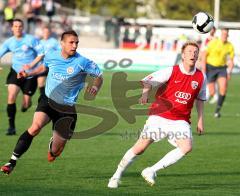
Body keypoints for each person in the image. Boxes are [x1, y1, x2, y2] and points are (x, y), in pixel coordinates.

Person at [0, 30, 103, 175]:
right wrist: (28, 73)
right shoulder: (51, 55)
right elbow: (44, 67)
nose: (74, 46)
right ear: (62, 43)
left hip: (67, 108)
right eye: (71, 42)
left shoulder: (83, 62)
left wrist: (95, 86)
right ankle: (11, 162)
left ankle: (53, 149)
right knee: (35, 127)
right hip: (48, 100)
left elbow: (99, 75)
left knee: (56, 150)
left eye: (76, 43)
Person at [108, 41, 206, 188]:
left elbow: (200, 99)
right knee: (140, 148)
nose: (193, 54)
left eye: (195, 52)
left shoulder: (201, 77)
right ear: (183, 55)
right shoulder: (171, 71)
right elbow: (147, 81)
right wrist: (145, 94)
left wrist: (200, 120)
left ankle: (151, 170)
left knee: (186, 147)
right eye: (189, 51)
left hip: (180, 120)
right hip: (159, 116)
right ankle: (116, 175)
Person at [0, 18, 44, 135]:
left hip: (30, 75)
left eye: (20, 26)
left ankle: (26, 105)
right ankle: (11, 127)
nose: (18, 28)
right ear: (12, 28)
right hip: (15, 72)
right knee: (11, 96)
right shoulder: (9, 42)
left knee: (26, 104)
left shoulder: (31, 39)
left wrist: (31, 65)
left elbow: (41, 54)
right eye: (15, 26)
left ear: (23, 27)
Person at [201, 28, 234, 118]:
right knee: (212, 91)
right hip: (210, 68)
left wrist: (229, 72)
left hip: (222, 68)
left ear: (228, 35)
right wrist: (203, 68)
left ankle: (217, 110)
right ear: (221, 35)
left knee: (223, 88)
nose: (224, 36)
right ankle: (213, 96)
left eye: (226, 34)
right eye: (223, 34)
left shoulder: (229, 46)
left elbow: (231, 60)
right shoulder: (214, 42)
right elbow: (204, 54)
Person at [26, 25, 60, 95]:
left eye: (47, 32)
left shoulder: (54, 42)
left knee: (52, 84)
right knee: (40, 84)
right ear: (42, 33)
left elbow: (60, 52)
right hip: (42, 65)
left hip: (52, 66)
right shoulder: (39, 42)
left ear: (50, 33)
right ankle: (44, 99)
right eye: (44, 32)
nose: (46, 33)